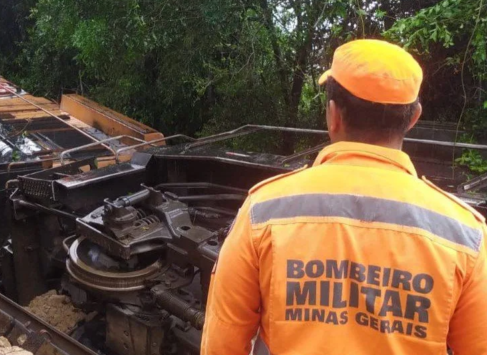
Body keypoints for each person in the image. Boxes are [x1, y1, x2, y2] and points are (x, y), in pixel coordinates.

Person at [201, 39, 487, 355]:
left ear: (333, 114)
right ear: (414, 117)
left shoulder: (262, 212)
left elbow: (221, 346)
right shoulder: (466, 235)